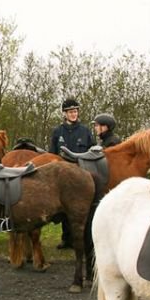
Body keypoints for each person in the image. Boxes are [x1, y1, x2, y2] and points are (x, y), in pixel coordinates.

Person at [49, 98, 95, 250]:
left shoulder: (85, 131)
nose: (74, 114)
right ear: (65, 114)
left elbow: (91, 151)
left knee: (79, 209)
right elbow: (52, 154)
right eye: (70, 112)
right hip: (62, 174)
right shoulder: (58, 132)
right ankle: (66, 238)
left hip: (80, 173)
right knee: (63, 207)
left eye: (75, 111)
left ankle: (80, 239)